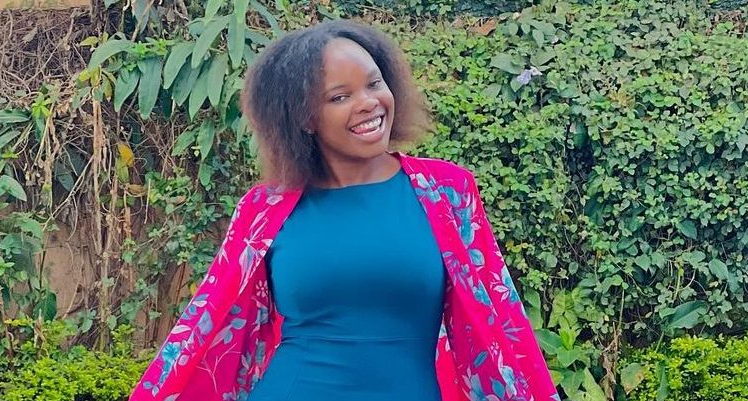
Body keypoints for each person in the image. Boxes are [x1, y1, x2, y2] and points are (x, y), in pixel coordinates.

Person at [130, 20, 557, 401]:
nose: (368, 102)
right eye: (340, 96)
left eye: (374, 83)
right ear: (304, 118)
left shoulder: (447, 192)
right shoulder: (265, 209)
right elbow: (212, 325)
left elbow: (497, 324)